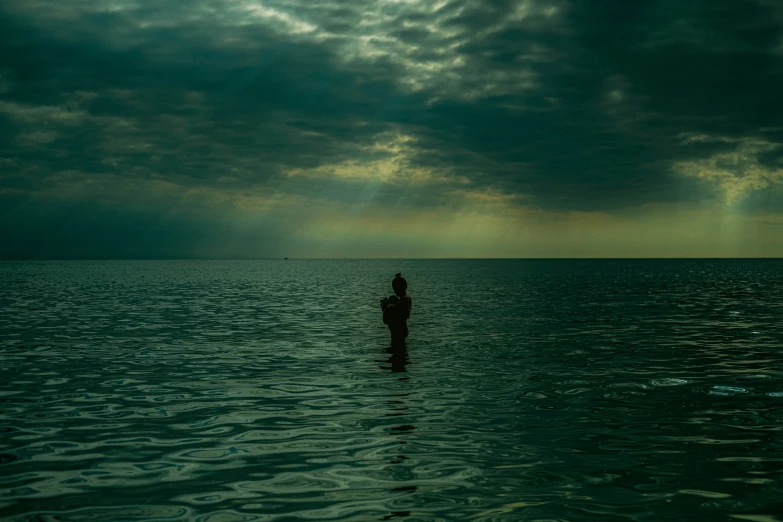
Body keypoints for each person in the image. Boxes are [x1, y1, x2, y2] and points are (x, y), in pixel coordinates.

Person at [381, 273, 412, 346]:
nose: (395, 291)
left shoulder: (404, 299)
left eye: (396, 288)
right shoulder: (404, 298)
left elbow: (404, 315)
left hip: (399, 331)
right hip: (401, 330)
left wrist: (387, 308)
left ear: (403, 287)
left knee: (397, 353)